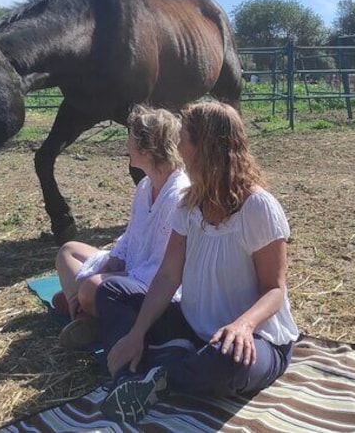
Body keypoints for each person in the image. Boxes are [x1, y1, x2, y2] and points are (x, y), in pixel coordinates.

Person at [95, 101, 298, 425]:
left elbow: (274, 290)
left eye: (184, 138)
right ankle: (148, 367)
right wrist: (137, 331)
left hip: (255, 340)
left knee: (230, 360)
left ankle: (149, 373)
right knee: (112, 292)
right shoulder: (190, 203)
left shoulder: (259, 207)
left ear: (205, 147)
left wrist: (243, 326)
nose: (176, 146)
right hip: (194, 327)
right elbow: (168, 275)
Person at [54, 105, 190, 350]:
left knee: (91, 287)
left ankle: (83, 309)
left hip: (155, 284)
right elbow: (131, 235)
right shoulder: (146, 185)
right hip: (134, 266)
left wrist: (110, 277)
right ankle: (86, 314)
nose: (127, 144)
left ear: (147, 148)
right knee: (68, 251)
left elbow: (163, 269)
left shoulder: (177, 195)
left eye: (131, 138)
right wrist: (114, 259)